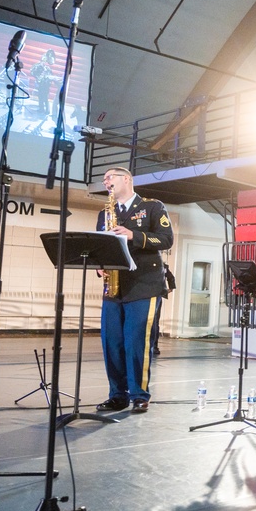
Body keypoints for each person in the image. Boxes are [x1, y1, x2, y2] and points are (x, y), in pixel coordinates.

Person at [95, 167, 174, 414]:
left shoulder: (153, 207)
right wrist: (100, 266)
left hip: (144, 284)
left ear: (126, 179)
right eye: (104, 179)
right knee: (112, 343)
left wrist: (134, 235)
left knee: (136, 343)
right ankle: (117, 395)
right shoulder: (104, 213)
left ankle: (139, 395)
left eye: (111, 177)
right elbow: (100, 244)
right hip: (114, 288)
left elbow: (166, 239)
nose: (106, 181)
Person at [150, 263, 176, 357]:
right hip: (157, 295)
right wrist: (171, 288)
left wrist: (171, 288)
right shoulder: (163, 266)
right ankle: (154, 347)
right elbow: (171, 277)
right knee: (155, 321)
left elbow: (171, 277)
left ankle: (152, 346)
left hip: (146, 295)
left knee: (152, 322)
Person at [31, 50, 55, 118]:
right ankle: (41, 109)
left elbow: (51, 76)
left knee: (45, 98)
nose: (44, 61)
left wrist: (47, 77)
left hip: (46, 86)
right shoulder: (39, 67)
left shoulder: (48, 68)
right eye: (43, 59)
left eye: (45, 59)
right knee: (40, 97)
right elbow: (33, 72)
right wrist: (38, 77)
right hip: (41, 85)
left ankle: (47, 111)